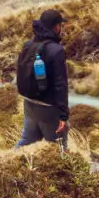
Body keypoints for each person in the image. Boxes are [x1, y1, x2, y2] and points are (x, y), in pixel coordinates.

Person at [15, 8, 70, 149]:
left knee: (27, 141)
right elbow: (60, 85)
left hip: (29, 102)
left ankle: (2, 165)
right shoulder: (56, 50)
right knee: (58, 148)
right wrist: (63, 115)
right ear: (56, 27)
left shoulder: (28, 45)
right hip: (48, 108)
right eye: (60, 25)